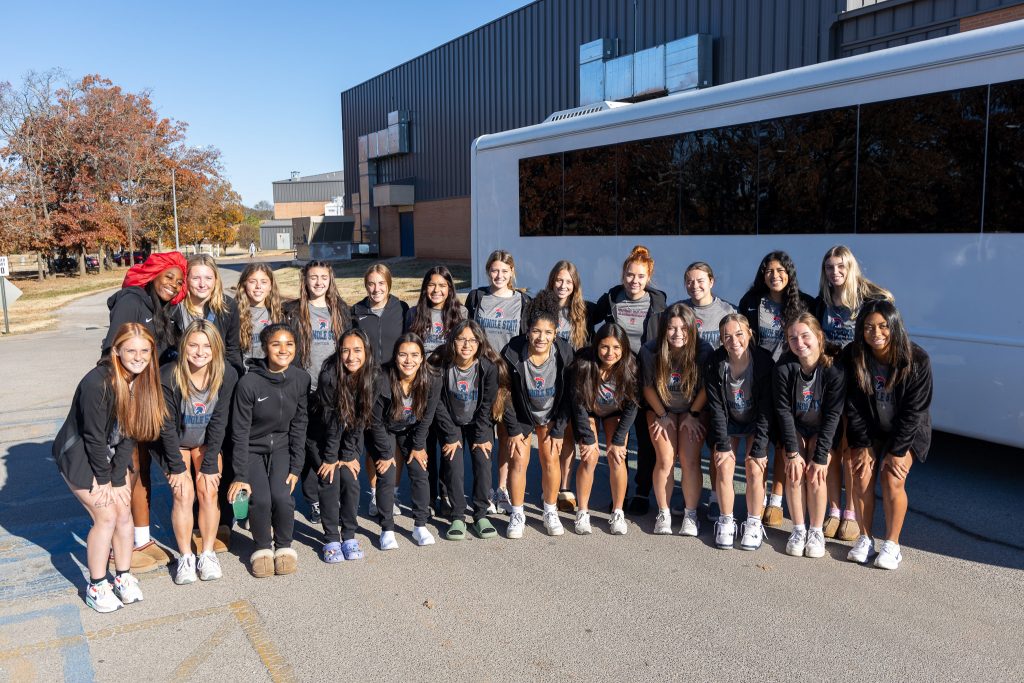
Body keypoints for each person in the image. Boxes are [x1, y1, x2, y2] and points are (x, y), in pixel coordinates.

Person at [54, 323, 165, 612]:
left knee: (124, 514)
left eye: (144, 350)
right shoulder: (97, 382)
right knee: (105, 516)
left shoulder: (142, 380)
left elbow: (130, 433)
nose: (138, 356)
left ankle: (123, 577)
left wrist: (118, 479)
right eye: (131, 350)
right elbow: (92, 437)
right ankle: (96, 584)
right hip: (79, 453)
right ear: (116, 350)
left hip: (113, 452)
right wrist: (104, 480)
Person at [844, 300, 933, 570]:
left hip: (906, 431)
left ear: (895, 326)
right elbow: (854, 406)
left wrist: (897, 452)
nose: (876, 333)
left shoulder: (916, 359)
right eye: (869, 327)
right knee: (860, 472)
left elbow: (914, 412)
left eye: (883, 326)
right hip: (871, 428)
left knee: (892, 477)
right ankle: (865, 538)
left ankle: (892, 545)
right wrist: (862, 445)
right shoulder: (854, 355)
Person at [815, 245, 894, 541]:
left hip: (858, 382)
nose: (834, 273)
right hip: (829, 380)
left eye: (840, 267)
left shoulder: (866, 300)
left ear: (850, 269)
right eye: (829, 268)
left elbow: (887, 311)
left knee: (852, 448)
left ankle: (850, 512)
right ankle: (834, 510)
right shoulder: (823, 302)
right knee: (832, 446)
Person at [154, 321, 237, 583]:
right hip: (175, 442)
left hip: (205, 442)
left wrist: (210, 462)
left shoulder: (226, 375)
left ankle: (207, 553)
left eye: (206, 346)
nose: (200, 352)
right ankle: (185, 557)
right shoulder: (168, 375)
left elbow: (219, 421)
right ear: (184, 345)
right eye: (193, 345)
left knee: (208, 490)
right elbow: (166, 426)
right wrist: (177, 467)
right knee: (183, 494)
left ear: (216, 349)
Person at [737, 251, 815, 528]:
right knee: (759, 436)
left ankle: (776, 500)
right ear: (762, 274)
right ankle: (754, 498)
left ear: (789, 273)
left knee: (785, 440)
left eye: (781, 270)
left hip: (789, 380)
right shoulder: (750, 302)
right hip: (757, 379)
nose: (775, 276)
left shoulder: (804, 303)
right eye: (769, 271)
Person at [228, 324, 309, 578]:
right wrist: (240, 474)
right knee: (260, 499)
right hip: (252, 449)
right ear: (265, 348)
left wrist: (297, 466)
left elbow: (300, 424)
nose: (283, 350)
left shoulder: (301, 379)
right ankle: (262, 548)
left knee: (282, 497)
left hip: (283, 448)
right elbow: (239, 432)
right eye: (276, 344)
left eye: (289, 344)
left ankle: (284, 546)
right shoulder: (249, 383)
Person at [592, 245, 667, 516]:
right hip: (617, 379)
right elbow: (587, 318)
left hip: (646, 378)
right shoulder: (612, 298)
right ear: (622, 275)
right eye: (629, 275)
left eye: (640, 276)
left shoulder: (658, 304)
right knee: (620, 435)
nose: (634, 281)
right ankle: (619, 493)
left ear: (648, 277)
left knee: (646, 439)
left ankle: (641, 491)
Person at [501, 290, 575, 538]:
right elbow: (504, 394)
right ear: (527, 330)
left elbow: (569, 396)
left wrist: (559, 429)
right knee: (519, 461)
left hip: (551, 413)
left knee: (550, 459)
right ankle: (517, 512)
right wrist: (512, 429)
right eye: (536, 331)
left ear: (555, 334)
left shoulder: (564, 353)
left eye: (548, 333)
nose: (541, 337)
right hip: (522, 414)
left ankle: (550, 510)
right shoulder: (512, 352)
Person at [465, 250, 532, 515]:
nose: (499, 275)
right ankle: (483, 490)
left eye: (505, 271)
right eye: (495, 270)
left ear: (512, 272)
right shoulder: (477, 297)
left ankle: (501, 489)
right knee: (483, 433)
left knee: (505, 434)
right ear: (487, 271)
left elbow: (526, 338)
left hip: (508, 378)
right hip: (480, 374)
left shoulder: (523, 301)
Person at [773, 313, 846, 559]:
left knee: (816, 473)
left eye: (805, 336)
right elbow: (783, 411)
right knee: (793, 470)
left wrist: (821, 454)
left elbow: (833, 416)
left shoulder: (833, 371)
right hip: (795, 426)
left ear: (819, 337)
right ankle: (798, 528)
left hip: (822, 429)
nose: (799, 342)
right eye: (793, 338)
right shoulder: (784, 368)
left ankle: (816, 531)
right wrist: (792, 452)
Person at [284, 260, 351, 526]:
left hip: (333, 388)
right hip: (304, 387)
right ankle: (313, 499)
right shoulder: (292, 311)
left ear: (330, 280)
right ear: (305, 280)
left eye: (324, 277)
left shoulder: (341, 311)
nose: (319, 282)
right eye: (313, 277)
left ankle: (331, 492)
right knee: (308, 444)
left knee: (329, 440)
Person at [639, 304, 712, 536]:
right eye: (671, 328)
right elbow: (648, 387)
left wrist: (693, 415)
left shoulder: (703, 350)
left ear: (692, 329)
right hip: (661, 408)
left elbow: (706, 388)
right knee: (665, 459)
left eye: (683, 328)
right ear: (663, 330)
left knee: (690, 459)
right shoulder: (650, 350)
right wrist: (661, 414)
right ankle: (664, 512)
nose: (677, 333)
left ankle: (690, 514)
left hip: (693, 408)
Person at [703, 314, 774, 550]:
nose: (734, 340)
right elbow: (716, 408)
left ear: (750, 334)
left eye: (739, 334)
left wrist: (760, 446)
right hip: (729, 420)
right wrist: (722, 444)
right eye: (727, 336)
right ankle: (726, 520)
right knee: (723, 464)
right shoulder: (715, 363)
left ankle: (753, 522)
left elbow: (766, 409)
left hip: (755, 420)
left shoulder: (763, 362)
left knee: (755, 466)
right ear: (721, 340)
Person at [433, 320, 507, 540]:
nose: (467, 344)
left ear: (480, 342)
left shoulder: (488, 368)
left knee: (483, 463)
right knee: (453, 464)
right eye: (461, 339)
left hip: (478, 422)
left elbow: (487, 404)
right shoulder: (441, 365)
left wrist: (483, 435)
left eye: (472, 340)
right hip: (451, 421)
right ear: (453, 341)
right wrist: (450, 434)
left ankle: (481, 514)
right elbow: (437, 402)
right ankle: (457, 515)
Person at [368, 333, 443, 548]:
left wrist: (419, 445)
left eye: (414, 355)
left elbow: (428, 415)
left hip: (411, 429)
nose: (408, 360)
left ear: (422, 358)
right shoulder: (381, 378)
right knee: (387, 473)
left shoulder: (433, 378)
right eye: (403, 355)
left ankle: (420, 525)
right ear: (395, 357)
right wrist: (385, 453)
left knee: (420, 470)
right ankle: (387, 529)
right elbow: (375, 420)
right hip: (385, 428)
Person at [406, 266, 468, 514]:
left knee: (449, 443)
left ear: (450, 289)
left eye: (442, 285)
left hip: (450, 387)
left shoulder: (461, 313)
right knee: (425, 442)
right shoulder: (414, 313)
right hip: (422, 387)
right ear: (425, 287)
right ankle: (428, 498)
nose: (437, 290)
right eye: (432, 285)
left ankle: (447, 495)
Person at [679, 261, 737, 521]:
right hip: (688, 391)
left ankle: (715, 497)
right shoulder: (680, 311)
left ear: (711, 282)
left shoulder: (726, 310)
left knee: (717, 448)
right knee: (688, 453)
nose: (695, 286)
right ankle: (688, 497)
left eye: (700, 280)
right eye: (690, 281)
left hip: (717, 394)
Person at [313, 329, 377, 562]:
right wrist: (331, 458)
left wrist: (349, 455)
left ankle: (349, 534)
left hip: (350, 433)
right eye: (345, 350)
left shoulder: (372, 376)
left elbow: (361, 418)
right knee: (330, 478)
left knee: (349, 478)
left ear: (367, 351)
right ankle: (330, 537)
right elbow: (331, 423)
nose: (351, 357)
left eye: (357, 350)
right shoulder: (329, 376)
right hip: (322, 435)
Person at [570, 323, 638, 536]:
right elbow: (578, 403)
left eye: (616, 348)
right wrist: (588, 437)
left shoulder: (631, 366)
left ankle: (618, 512)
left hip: (614, 412)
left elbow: (632, 406)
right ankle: (582, 511)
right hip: (588, 411)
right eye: (605, 347)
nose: (610, 353)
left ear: (624, 348)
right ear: (596, 346)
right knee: (589, 456)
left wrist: (618, 440)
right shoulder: (583, 364)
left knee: (617, 457)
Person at [353, 263, 410, 515]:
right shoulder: (356, 311)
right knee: (374, 443)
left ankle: (393, 494)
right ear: (366, 285)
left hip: (395, 384)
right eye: (371, 284)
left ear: (389, 284)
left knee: (393, 441)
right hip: (365, 385)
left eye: (381, 284)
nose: (376, 289)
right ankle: (376, 495)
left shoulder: (401, 309)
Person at [544, 260, 595, 514]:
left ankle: (565, 487)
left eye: (568, 281)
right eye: (559, 280)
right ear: (552, 280)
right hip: (547, 381)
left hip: (574, 383)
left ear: (575, 284)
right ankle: (549, 485)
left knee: (569, 436)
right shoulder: (541, 309)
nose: (563, 286)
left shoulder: (584, 311)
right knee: (551, 434)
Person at [102, 251, 187, 361]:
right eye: (169, 277)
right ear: (153, 275)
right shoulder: (131, 302)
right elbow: (110, 353)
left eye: (180, 283)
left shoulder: (172, 309)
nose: (174, 285)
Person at [174, 254, 243, 376]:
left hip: (216, 375)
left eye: (208, 278)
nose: (202, 284)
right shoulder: (174, 308)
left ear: (216, 280)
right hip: (181, 375)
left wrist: (236, 378)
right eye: (195, 278)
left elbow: (232, 349)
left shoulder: (228, 306)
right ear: (186, 279)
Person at [237, 262, 284, 371]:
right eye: (253, 281)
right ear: (244, 284)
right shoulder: (234, 314)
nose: (258, 286)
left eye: (264, 282)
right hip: (243, 377)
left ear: (270, 286)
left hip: (269, 376)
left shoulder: (279, 314)